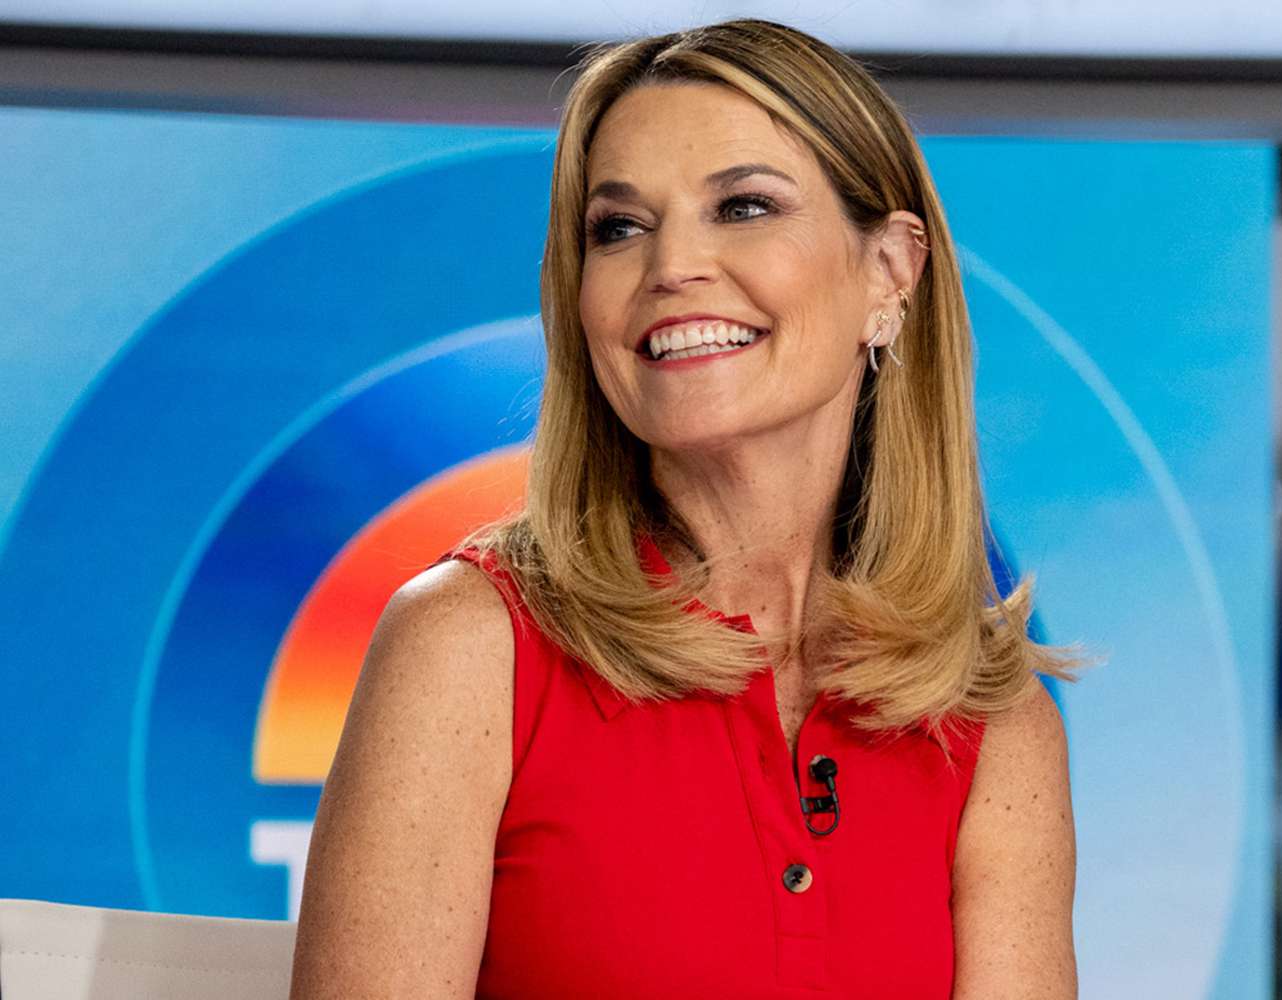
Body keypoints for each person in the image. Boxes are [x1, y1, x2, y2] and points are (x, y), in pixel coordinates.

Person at [289, 18, 1090, 1000]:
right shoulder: (466, 649)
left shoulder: (994, 724)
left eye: (744, 206)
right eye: (618, 227)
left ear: (890, 274)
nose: (671, 266)